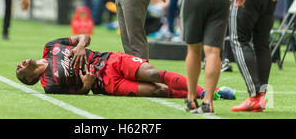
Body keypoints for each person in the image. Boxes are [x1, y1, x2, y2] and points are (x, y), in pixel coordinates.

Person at [16, 34, 236, 101]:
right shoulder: (49, 86)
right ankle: (203, 94)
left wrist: (81, 46)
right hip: (106, 84)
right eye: (19, 70)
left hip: (109, 60)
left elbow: (84, 36)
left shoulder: (50, 47)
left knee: (152, 74)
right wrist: (87, 85)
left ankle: (207, 92)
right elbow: (77, 93)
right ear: (28, 80)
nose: (20, 64)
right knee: (156, 90)